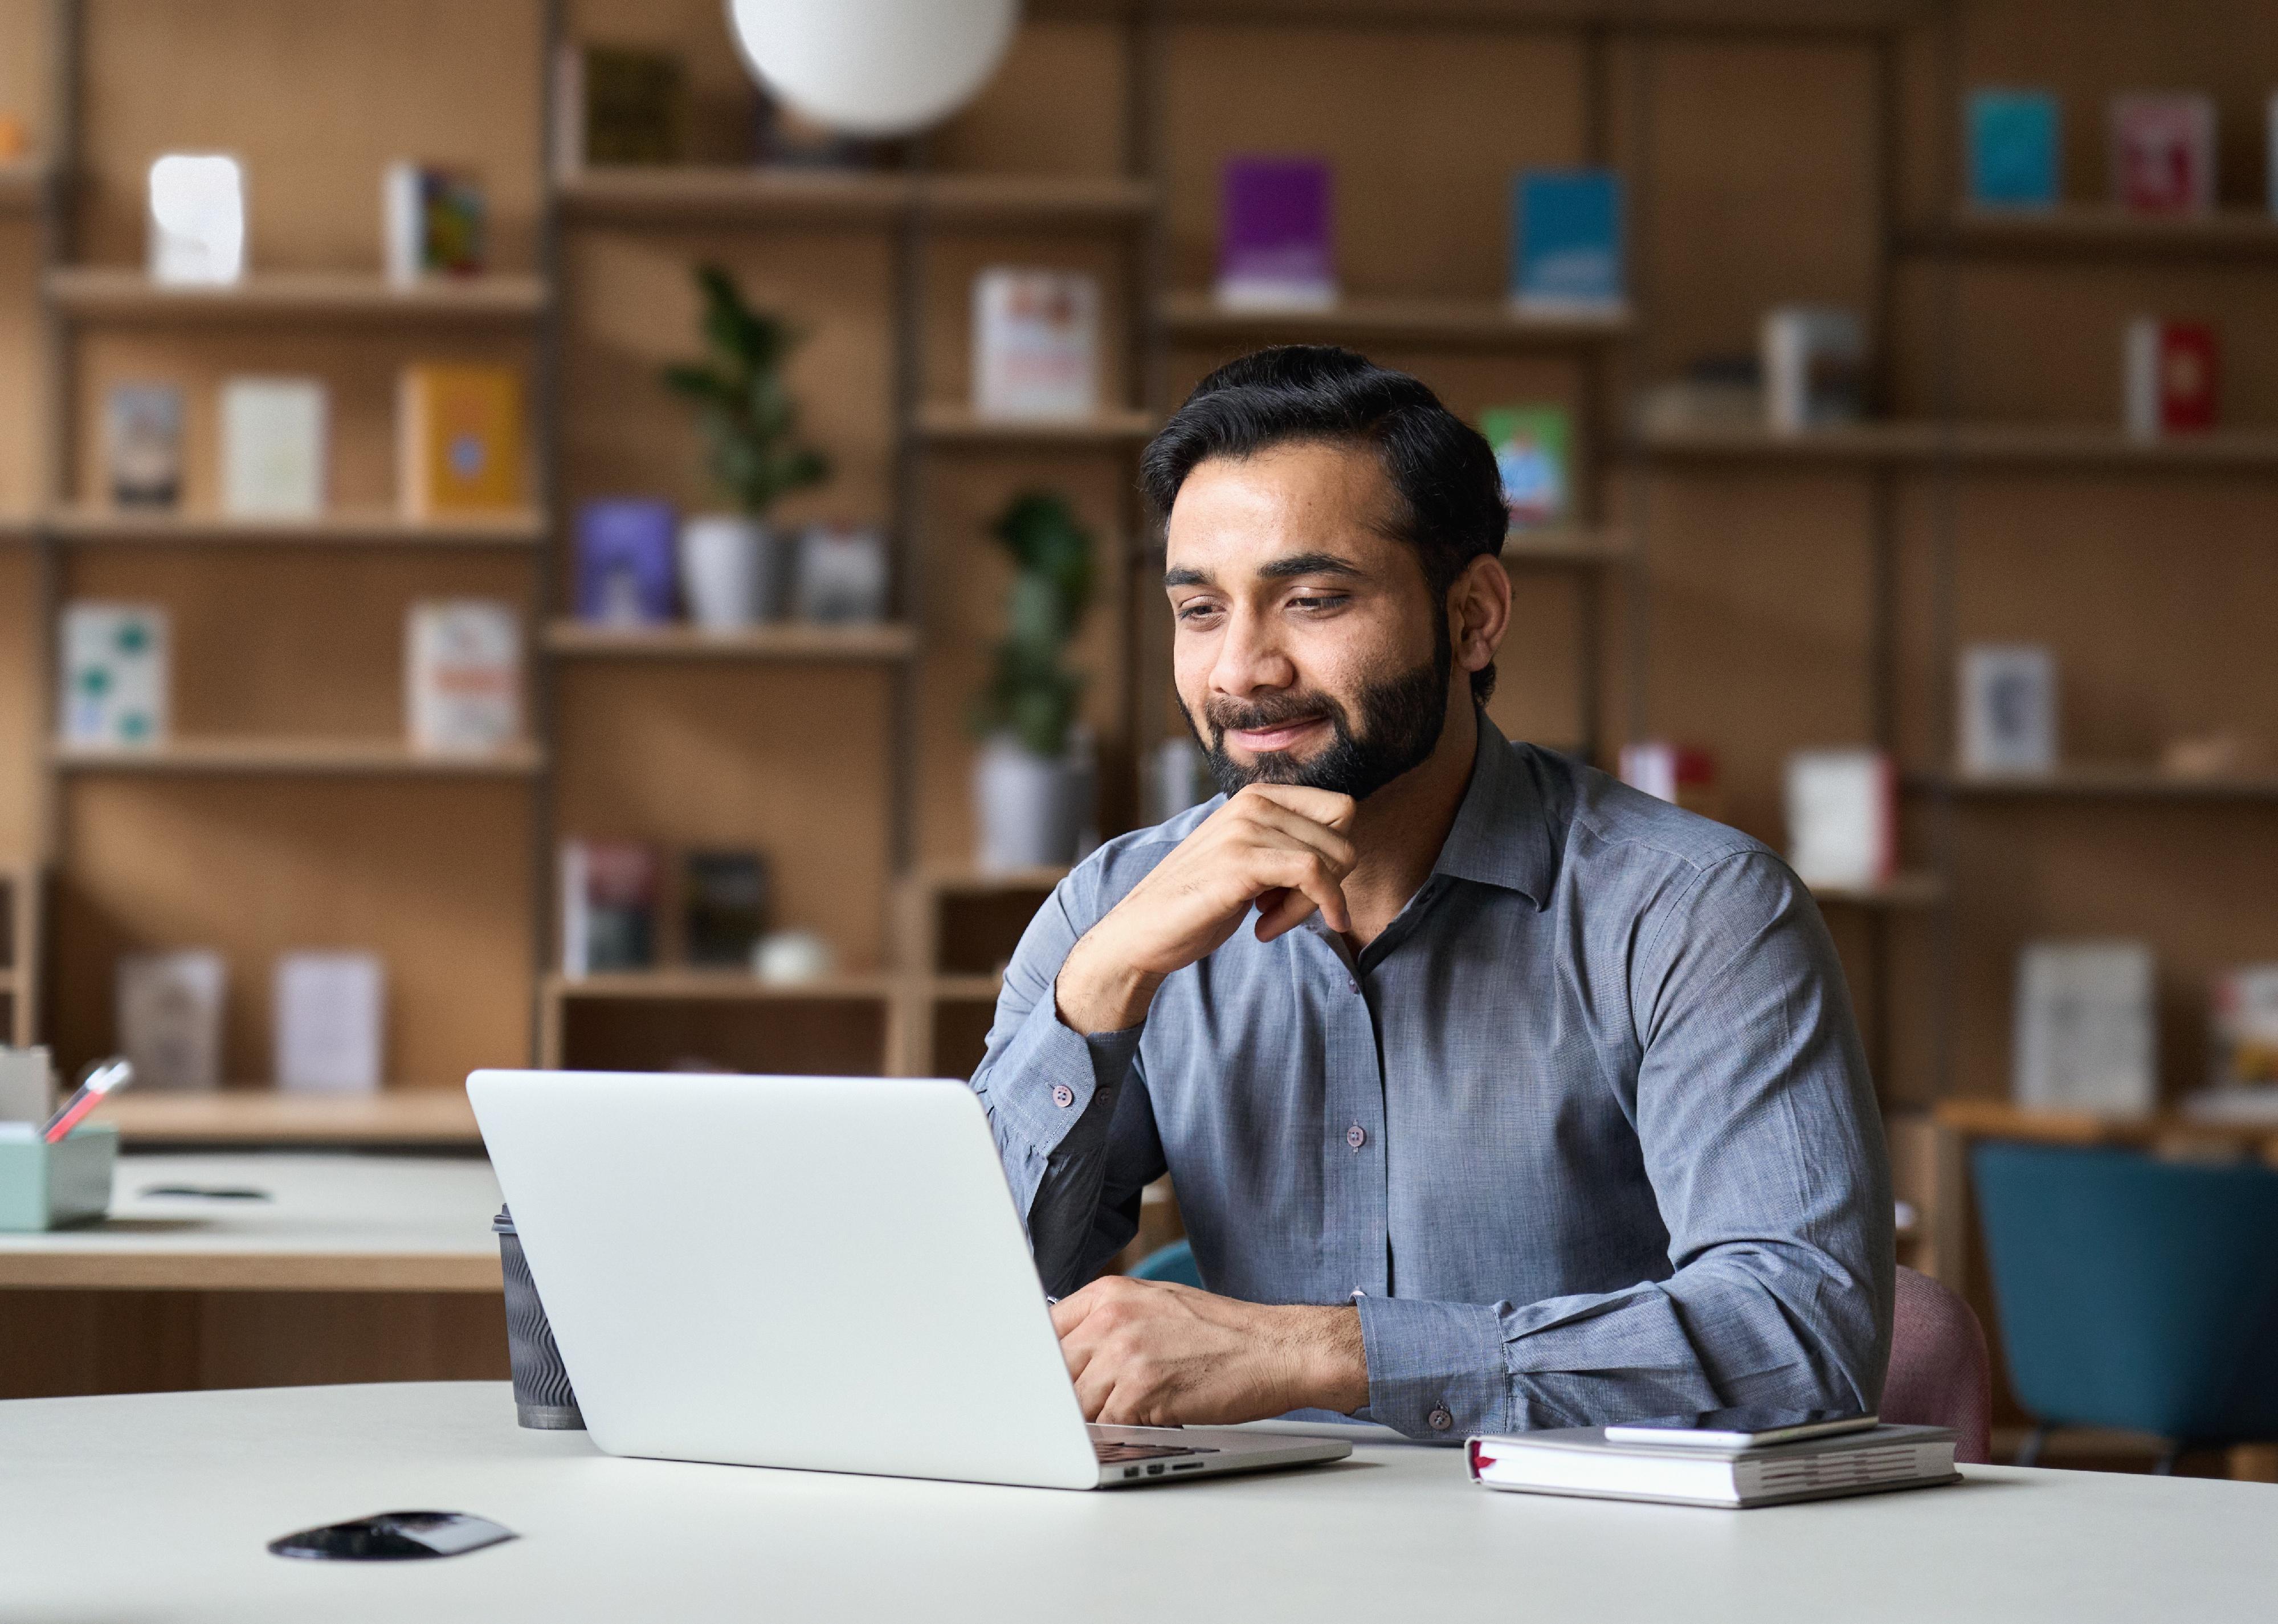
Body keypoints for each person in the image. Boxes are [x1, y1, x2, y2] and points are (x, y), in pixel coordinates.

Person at [968, 345, 1893, 1443]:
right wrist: (1100, 992)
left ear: (1473, 616)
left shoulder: (1696, 911)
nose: (1240, 671)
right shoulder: (1111, 910)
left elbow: (1802, 1337)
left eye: (1311, 598)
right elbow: (949, 1316)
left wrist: (1330, 1352)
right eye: (1201, 610)